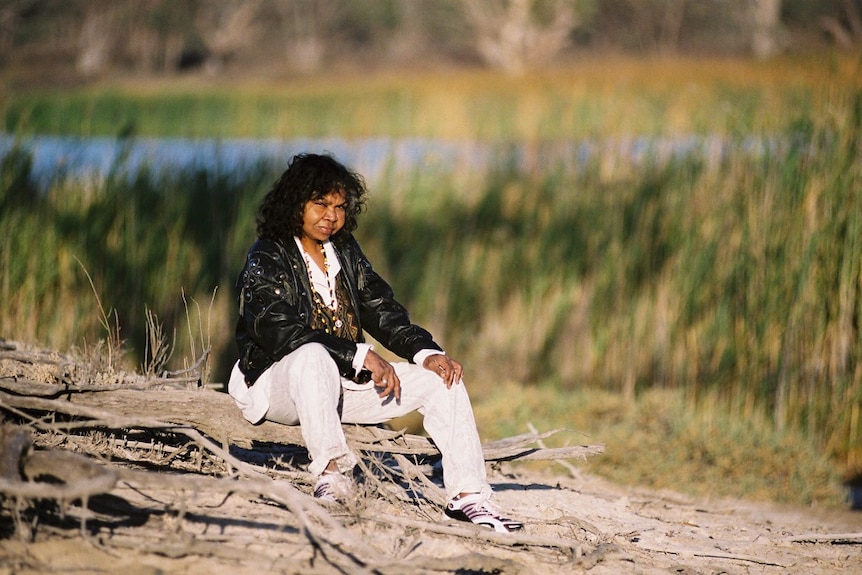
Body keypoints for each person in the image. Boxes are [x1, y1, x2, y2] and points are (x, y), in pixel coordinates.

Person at [227, 153, 522, 533]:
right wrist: (359, 354)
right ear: (295, 204)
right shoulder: (266, 255)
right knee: (312, 355)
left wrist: (426, 352)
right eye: (320, 204)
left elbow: (382, 310)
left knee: (442, 379)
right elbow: (281, 333)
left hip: (342, 386)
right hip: (278, 386)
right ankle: (332, 476)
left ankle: (469, 497)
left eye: (339, 207)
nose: (331, 216)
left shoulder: (344, 251)